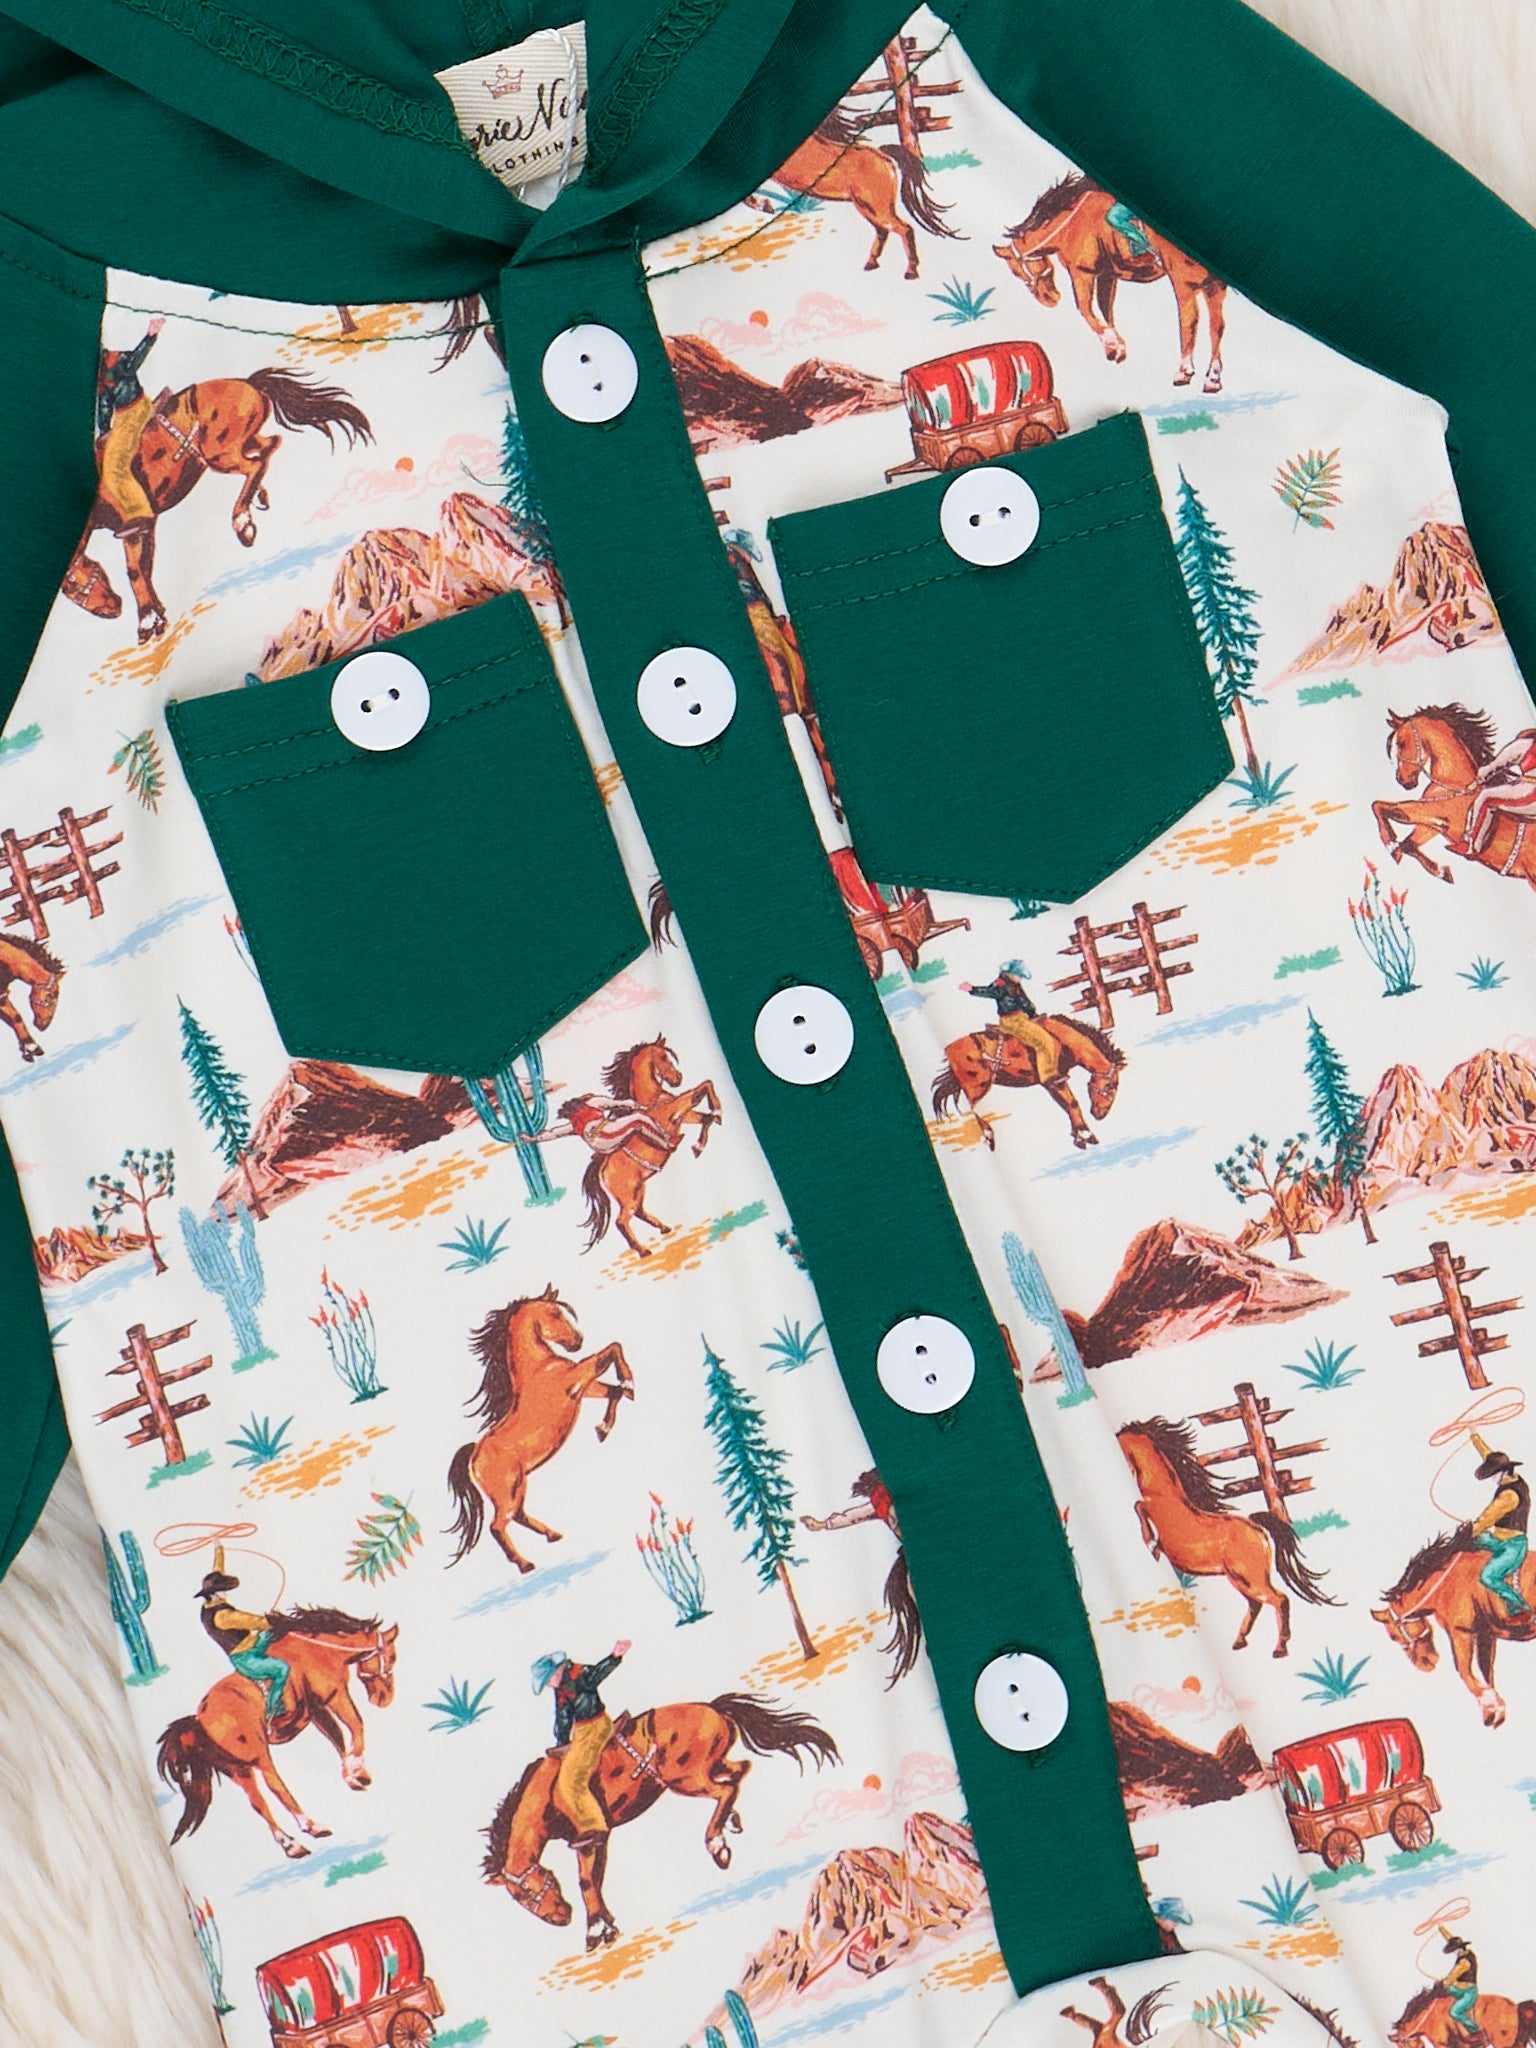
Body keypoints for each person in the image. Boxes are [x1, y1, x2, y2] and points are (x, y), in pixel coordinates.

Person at [531, 1640, 631, 1844]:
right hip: (583, 1731)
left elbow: (596, 1674)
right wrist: (561, 1744)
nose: (548, 1685)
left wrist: (614, 1657)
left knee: (570, 1780)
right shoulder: (561, 1688)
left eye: (547, 1681)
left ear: (555, 1673)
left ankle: (594, 1826)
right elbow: (563, 1717)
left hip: (595, 1728)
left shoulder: (578, 1674)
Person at [195, 1546, 291, 1725]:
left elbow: (218, 1570)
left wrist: (218, 1548)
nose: (226, 1592)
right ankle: (274, 1709)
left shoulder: (208, 1606)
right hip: (245, 1658)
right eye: (223, 1589)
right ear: (214, 1593)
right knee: (282, 1669)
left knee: (274, 1636)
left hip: (251, 1644)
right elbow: (253, 1621)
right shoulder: (223, 1616)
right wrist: (274, 1621)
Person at [94, 318, 165, 527]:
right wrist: (104, 430)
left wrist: (150, 335)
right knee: (109, 463)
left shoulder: (116, 360)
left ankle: (140, 513)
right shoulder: (101, 373)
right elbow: (105, 402)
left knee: (114, 467)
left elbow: (136, 358)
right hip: (124, 416)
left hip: (135, 412)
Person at [959, 962, 1065, 1083]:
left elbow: (1024, 1001)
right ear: (1010, 974)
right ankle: (1048, 1076)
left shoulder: (1015, 985)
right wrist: (973, 989)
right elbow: (990, 992)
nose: (1020, 979)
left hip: (1021, 1018)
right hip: (1013, 1021)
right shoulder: (1001, 984)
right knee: (1044, 1041)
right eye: (1019, 975)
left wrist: (1032, 1014)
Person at [1468, 1433, 1530, 1619]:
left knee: (1488, 1576)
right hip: (1499, 1539)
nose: (1492, 1478)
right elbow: (1488, 1455)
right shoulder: (1513, 1477)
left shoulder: (1509, 1496)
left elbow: (1487, 1518)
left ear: (1504, 1471)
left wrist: (1470, 1531)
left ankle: (1520, 1608)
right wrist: (1474, 1435)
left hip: (1513, 1546)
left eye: (1493, 1474)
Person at [1465, 727, 1536, 857]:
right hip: (1528, 788)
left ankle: (1474, 847)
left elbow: (1494, 766)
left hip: (1532, 793)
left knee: (1486, 797)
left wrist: (1479, 779)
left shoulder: (1525, 744)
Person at [555, 1093, 671, 1156]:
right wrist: (641, 1107)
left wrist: (539, 1137)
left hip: (600, 1147)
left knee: (617, 1121)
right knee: (639, 1118)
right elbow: (621, 1103)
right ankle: (665, 1142)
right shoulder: (593, 1102)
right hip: (606, 1134)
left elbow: (553, 1133)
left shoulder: (573, 1124)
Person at [1439, 1927, 1485, 2046]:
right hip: (1461, 1988)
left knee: (1455, 2012)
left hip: (1469, 1992)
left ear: (1459, 1949)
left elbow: (1453, 1975)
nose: (1453, 1953)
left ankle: (1475, 2030)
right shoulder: (1465, 1953)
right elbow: (1450, 1938)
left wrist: (1444, 1982)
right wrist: (1440, 1927)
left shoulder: (1464, 1962)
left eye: (1454, 1950)